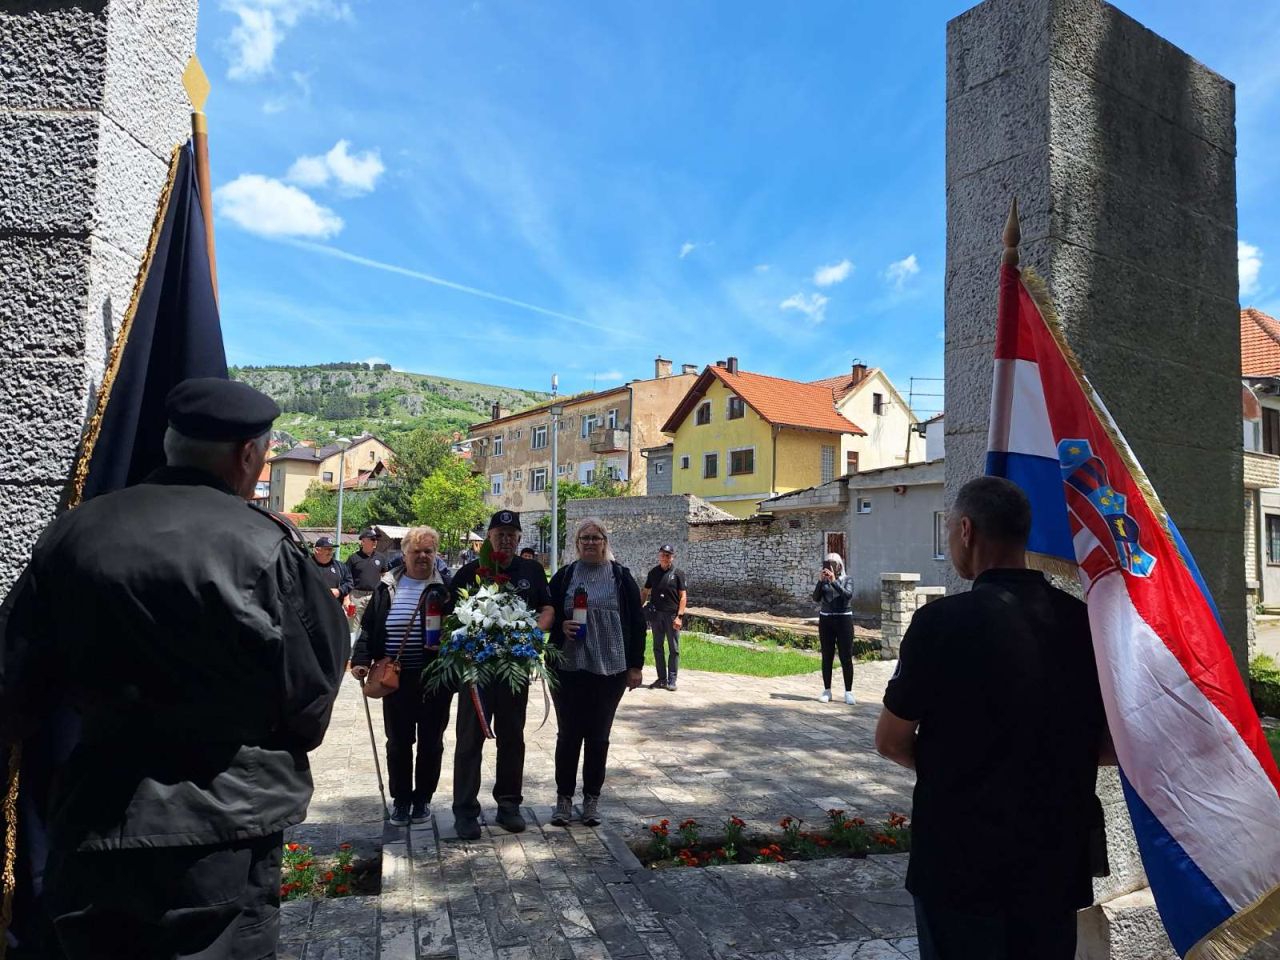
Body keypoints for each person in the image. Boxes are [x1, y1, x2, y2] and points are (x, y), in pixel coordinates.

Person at [0, 377, 349, 960]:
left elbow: (14, 684)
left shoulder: (74, 533)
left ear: (171, 443)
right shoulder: (266, 547)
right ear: (248, 456)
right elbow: (310, 697)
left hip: (96, 816)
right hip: (222, 832)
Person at [874, 476, 1110, 960]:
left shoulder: (939, 623)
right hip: (1054, 858)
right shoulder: (1084, 623)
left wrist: (960, 770)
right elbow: (1110, 744)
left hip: (960, 861)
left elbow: (891, 740)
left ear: (965, 530)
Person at [448, 510, 553, 839]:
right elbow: (452, 619)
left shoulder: (532, 571)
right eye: (499, 533)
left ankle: (508, 805)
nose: (505, 539)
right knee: (469, 741)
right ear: (489, 537)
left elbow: (548, 608)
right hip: (476, 673)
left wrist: (533, 633)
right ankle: (465, 811)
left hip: (514, 670)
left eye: (511, 534)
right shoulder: (468, 573)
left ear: (519, 538)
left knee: (512, 739)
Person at [351, 526, 454, 828]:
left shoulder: (446, 587)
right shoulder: (387, 585)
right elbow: (370, 626)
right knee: (398, 741)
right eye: (416, 551)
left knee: (431, 742)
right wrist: (360, 660)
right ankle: (401, 800)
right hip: (394, 679)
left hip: (434, 679)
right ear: (404, 553)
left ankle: (422, 797)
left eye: (428, 551)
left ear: (436, 554)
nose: (422, 556)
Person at [547, 518, 645, 827]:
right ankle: (564, 799)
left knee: (598, 736)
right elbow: (546, 614)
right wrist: (560, 625)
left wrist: (636, 666)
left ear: (605, 542)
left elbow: (639, 624)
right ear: (576, 545)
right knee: (568, 735)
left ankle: (591, 800)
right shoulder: (563, 577)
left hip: (610, 669)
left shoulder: (620, 577)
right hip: (568, 667)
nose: (590, 542)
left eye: (596, 537)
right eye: (584, 538)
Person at [641, 544, 687, 691]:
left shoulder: (678, 573)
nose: (665, 557)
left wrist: (679, 616)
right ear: (659, 555)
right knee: (657, 647)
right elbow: (645, 591)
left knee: (674, 648)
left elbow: (683, 597)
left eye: (668, 555)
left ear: (672, 557)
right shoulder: (653, 573)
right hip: (656, 615)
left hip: (672, 615)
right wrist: (638, 607)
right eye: (663, 554)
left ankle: (672, 680)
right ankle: (661, 678)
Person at [813, 553, 855, 704]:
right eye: (828, 563)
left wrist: (834, 581)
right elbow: (816, 598)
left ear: (839, 566)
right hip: (826, 619)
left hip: (843, 619)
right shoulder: (824, 582)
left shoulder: (847, 579)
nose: (830, 566)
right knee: (827, 656)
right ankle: (827, 690)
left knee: (846, 656)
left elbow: (847, 596)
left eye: (833, 563)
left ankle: (848, 692)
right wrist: (820, 581)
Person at [346, 528, 385, 631]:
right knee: (353, 629)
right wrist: (347, 599)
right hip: (356, 597)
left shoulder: (381, 558)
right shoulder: (353, 558)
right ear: (363, 541)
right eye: (372, 539)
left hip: (374, 597)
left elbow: (385, 577)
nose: (375, 541)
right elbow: (346, 579)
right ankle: (352, 647)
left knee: (374, 627)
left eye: (376, 539)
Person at [312, 535, 353, 604]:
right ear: (317, 550)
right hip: (312, 608)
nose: (331, 552)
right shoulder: (307, 565)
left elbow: (349, 583)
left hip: (334, 608)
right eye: (327, 549)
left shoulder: (340, 566)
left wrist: (339, 591)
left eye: (332, 549)